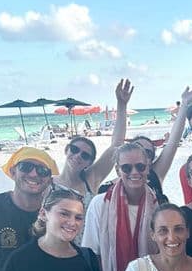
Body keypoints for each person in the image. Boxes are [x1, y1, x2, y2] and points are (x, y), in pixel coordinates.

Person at [98, 83, 192, 202]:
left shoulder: (154, 176)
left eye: (147, 153)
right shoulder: (106, 189)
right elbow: (117, 143)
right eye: (137, 147)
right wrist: (121, 105)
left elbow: (173, 142)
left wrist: (184, 103)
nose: (141, 153)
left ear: (150, 162)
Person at [82, 142, 158, 271]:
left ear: (148, 167)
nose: (134, 172)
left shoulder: (159, 206)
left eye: (140, 167)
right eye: (127, 168)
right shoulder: (100, 204)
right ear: (117, 170)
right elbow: (92, 254)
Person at [52, 79, 133, 215]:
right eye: (75, 149)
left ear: (89, 162)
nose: (78, 156)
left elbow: (117, 144)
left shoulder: (90, 179)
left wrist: (121, 104)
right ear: (67, 150)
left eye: (85, 155)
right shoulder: (48, 183)